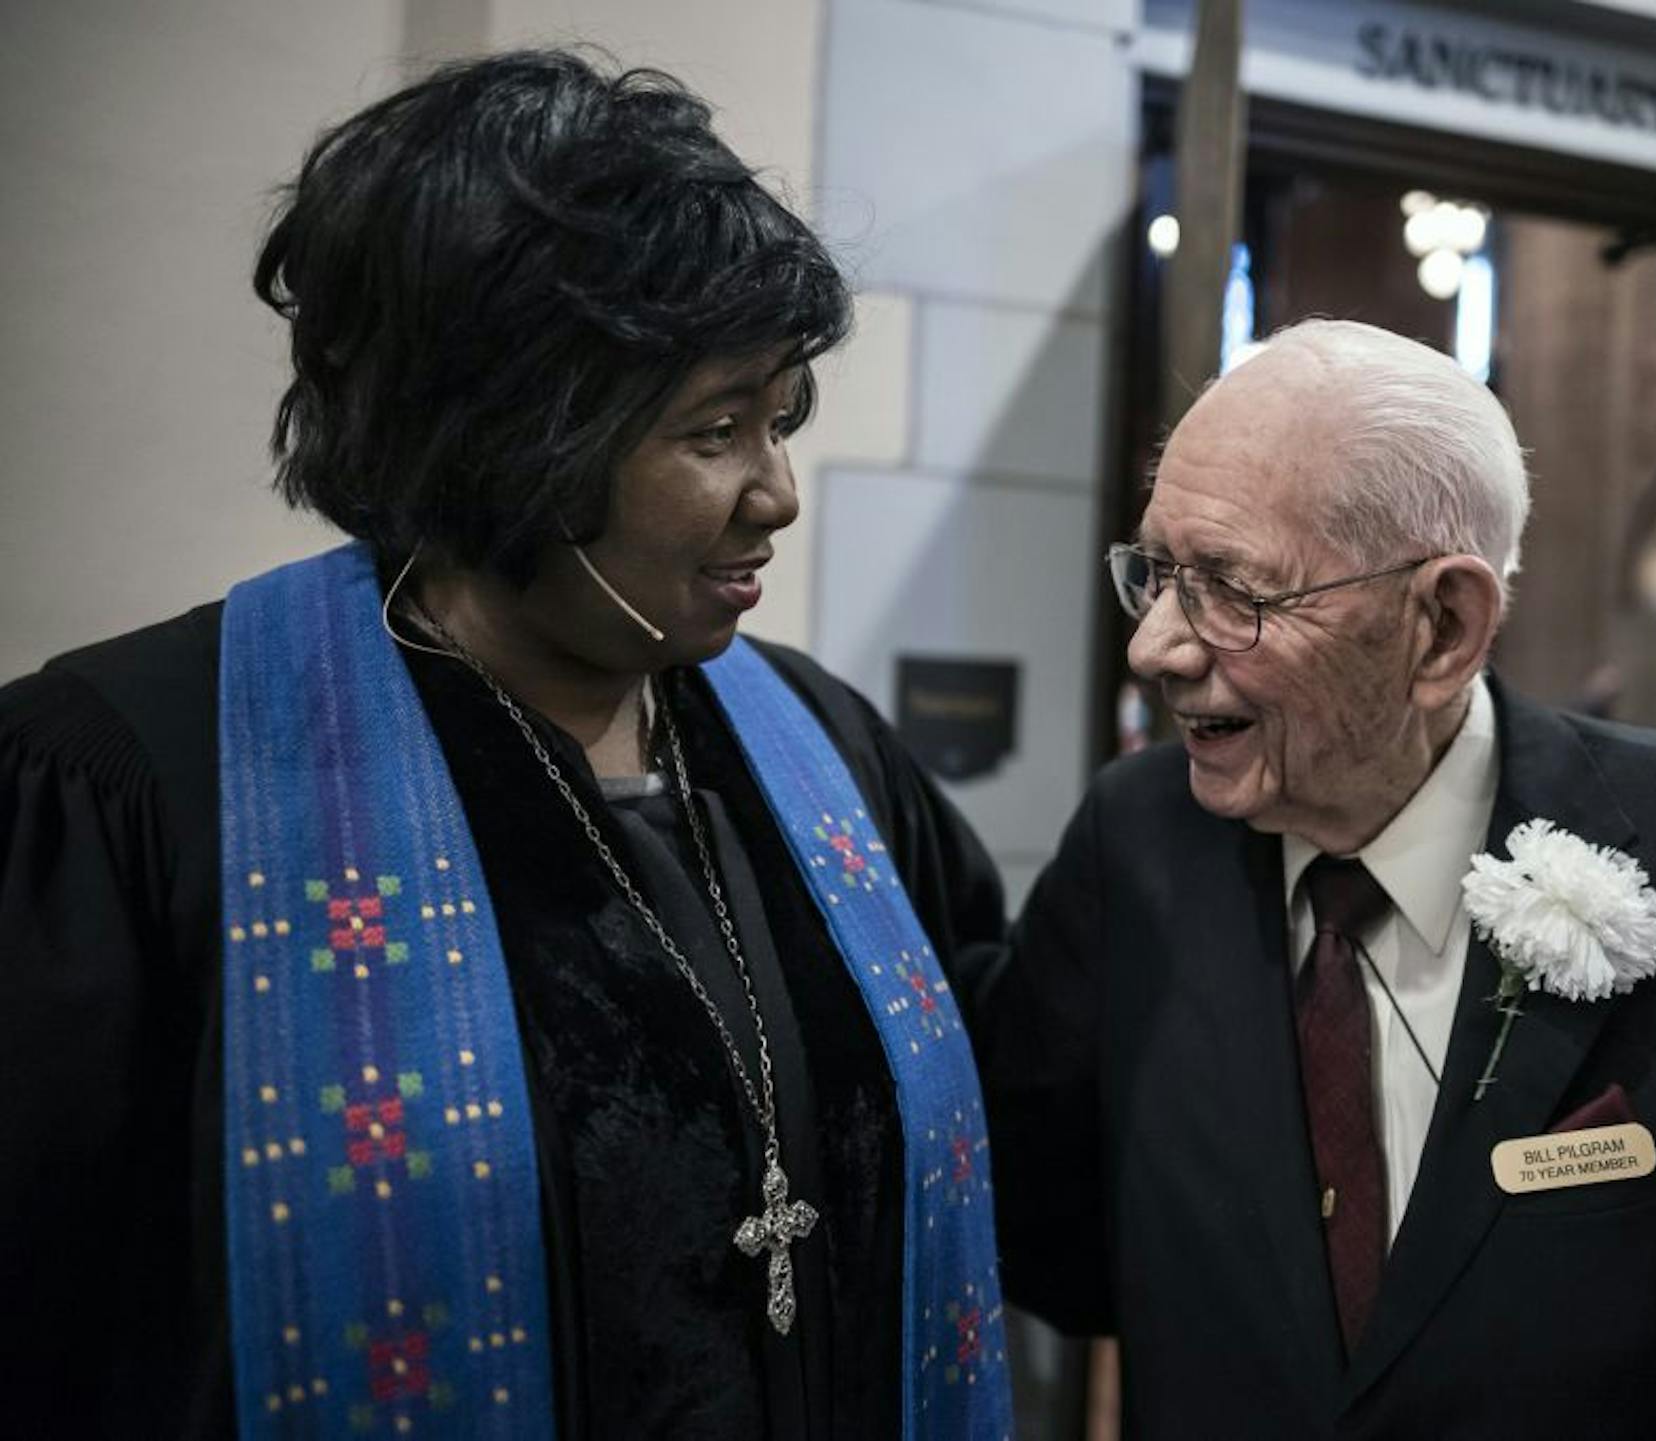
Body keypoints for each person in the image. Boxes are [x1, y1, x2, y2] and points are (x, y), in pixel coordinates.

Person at [0, 51, 1011, 1439]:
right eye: (715, 431)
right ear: (509, 441)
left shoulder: (822, 749)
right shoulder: (136, 792)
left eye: (780, 418)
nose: (776, 493)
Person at [975, 319, 1656, 1437]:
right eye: (1159, 573)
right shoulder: (1134, 846)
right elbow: (1048, 1245)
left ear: (1443, 625)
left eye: (1234, 590)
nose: (1155, 647)